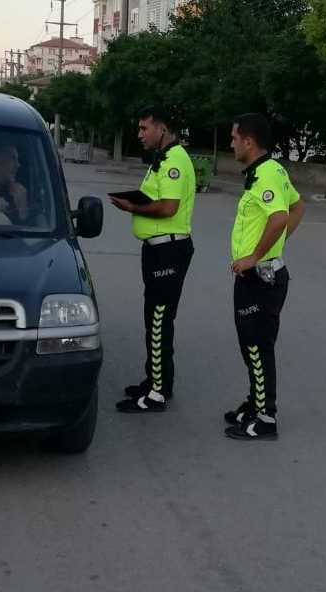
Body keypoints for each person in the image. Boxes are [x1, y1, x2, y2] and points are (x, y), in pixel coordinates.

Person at [223, 113, 305, 441]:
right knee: (251, 345)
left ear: (248, 141)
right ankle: (255, 402)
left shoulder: (267, 173)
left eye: (234, 138)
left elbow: (281, 216)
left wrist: (257, 255)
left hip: (260, 276)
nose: (231, 144)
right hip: (257, 274)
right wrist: (276, 245)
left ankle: (266, 417)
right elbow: (298, 207)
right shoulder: (269, 170)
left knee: (257, 346)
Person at [110, 105, 197, 413]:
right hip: (158, 250)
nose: (139, 134)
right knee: (156, 318)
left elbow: (169, 207)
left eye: (144, 128)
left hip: (168, 251)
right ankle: (157, 381)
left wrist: (132, 207)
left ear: (162, 129)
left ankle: (157, 393)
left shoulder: (174, 160)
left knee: (158, 320)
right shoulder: (162, 158)